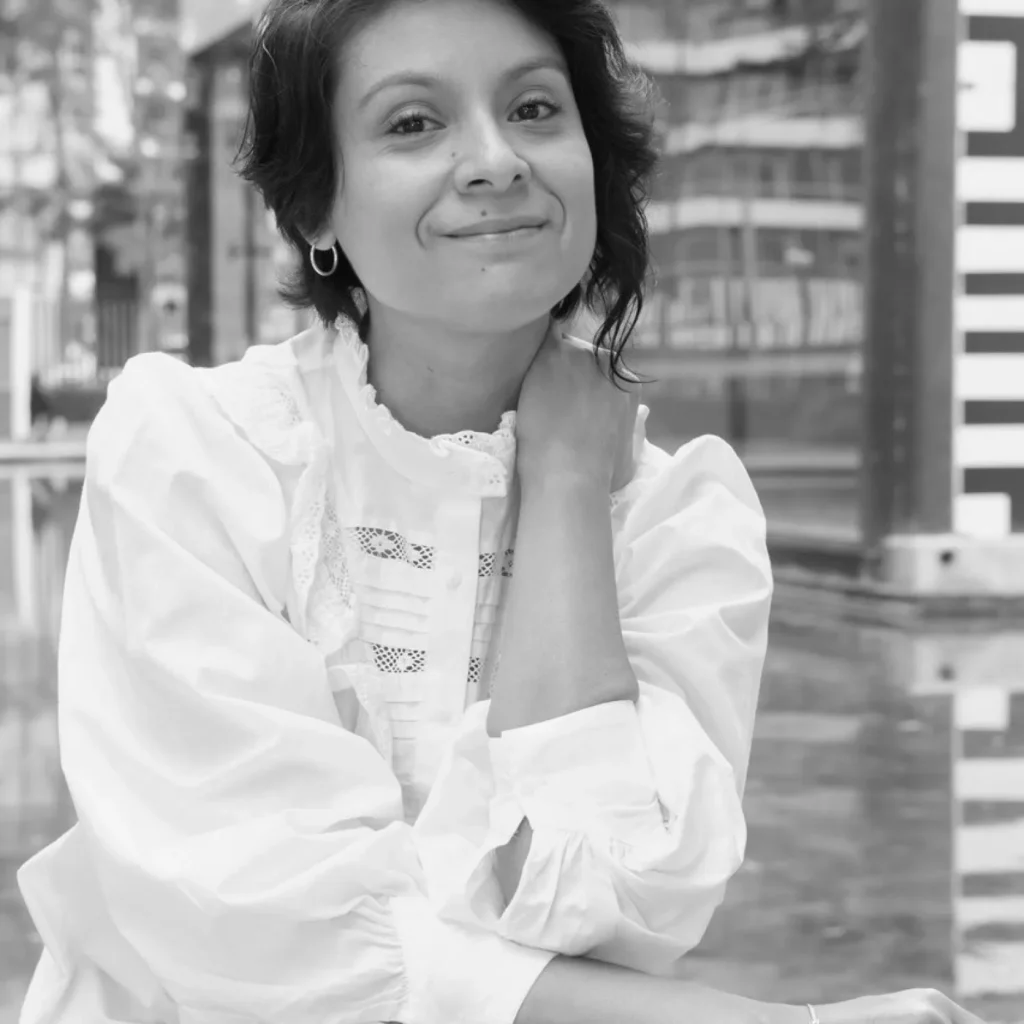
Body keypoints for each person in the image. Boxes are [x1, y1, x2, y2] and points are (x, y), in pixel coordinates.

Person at [16, 2, 985, 1023]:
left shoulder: (676, 520)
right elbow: (266, 931)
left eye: (533, 108)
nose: (493, 161)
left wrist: (564, 486)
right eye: (411, 123)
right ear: (314, 209)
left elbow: (606, 901)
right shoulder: (199, 456)